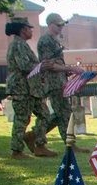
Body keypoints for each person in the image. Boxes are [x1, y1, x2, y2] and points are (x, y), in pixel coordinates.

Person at [6, 20, 55, 159]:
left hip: (31, 88)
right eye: (29, 28)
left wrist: (40, 67)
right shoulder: (17, 45)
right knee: (22, 118)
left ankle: (39, 145)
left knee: (44, 114)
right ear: (23, 30)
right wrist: (42, 66)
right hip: (21, 87)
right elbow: (24, 65)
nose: (31, 31)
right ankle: (16, 151)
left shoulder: (23, 45)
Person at [37, 13, 87, 150]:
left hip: (59, 81)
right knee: (64, 112)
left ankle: (35, 134)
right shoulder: (46, 40)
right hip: (54, 83)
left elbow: (56, 64)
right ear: (50, 24)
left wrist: (66, 71)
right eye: (58, 24)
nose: (61, 27)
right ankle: (70, 144)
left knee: (61, 113)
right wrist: (71, 68)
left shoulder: (54, 40)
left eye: (63, 24)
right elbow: (49, 65)